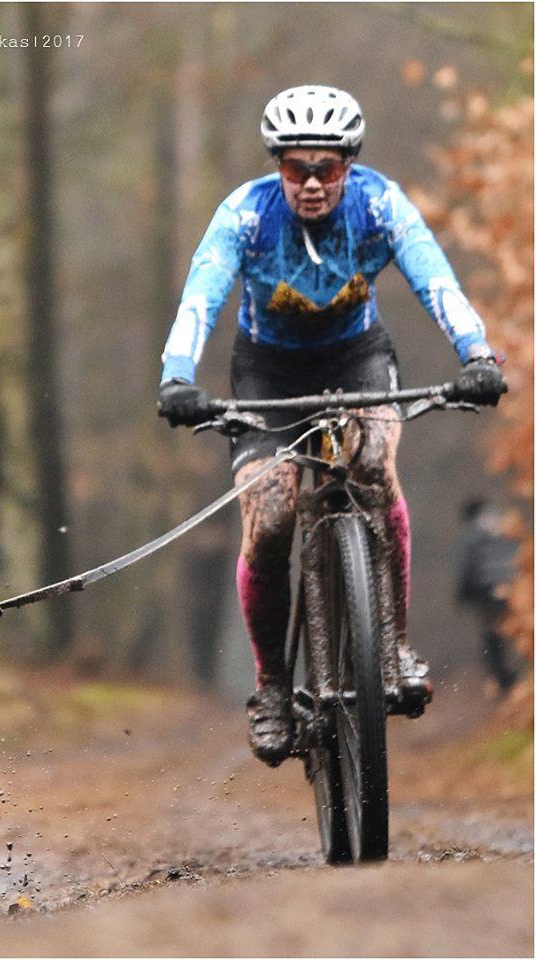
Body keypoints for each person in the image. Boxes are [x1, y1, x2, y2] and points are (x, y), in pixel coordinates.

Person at [157, 85, 507, 767]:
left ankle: (394, 645)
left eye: (326, 167)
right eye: (295, 168)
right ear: (276, 166)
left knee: (374, 466)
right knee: (271, 519)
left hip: (357, 359)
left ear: (349, 164)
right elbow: (201, 294)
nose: (312, 183)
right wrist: (176, 375)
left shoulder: (379, 204)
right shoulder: (245, 215)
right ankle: (270, 689)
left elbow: (435, 281)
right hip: (267, 374)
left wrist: (475, 355)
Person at [456, 498, 521, 693]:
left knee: (492, 638)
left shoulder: (474, 534)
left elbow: (469, 567)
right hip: (513, 589)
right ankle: (520, 678)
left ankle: (504, 680)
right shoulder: (504, 526)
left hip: (487, 593)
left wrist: (462, 594)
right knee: (515, 633)